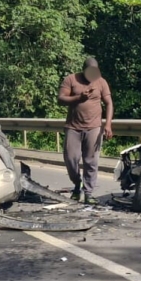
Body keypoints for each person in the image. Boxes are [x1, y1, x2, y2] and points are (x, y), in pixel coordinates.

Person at [57, 57, 113, 204]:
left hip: (94, 127)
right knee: (71, 159)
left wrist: (107, 124)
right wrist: (78, 98)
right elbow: (60, 99)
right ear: (83, 70)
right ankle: (77, 184)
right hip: (73, 127)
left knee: (91, 162)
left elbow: (109, 103)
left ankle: (88, 193)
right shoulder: (71, 79)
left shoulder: (101, 82)